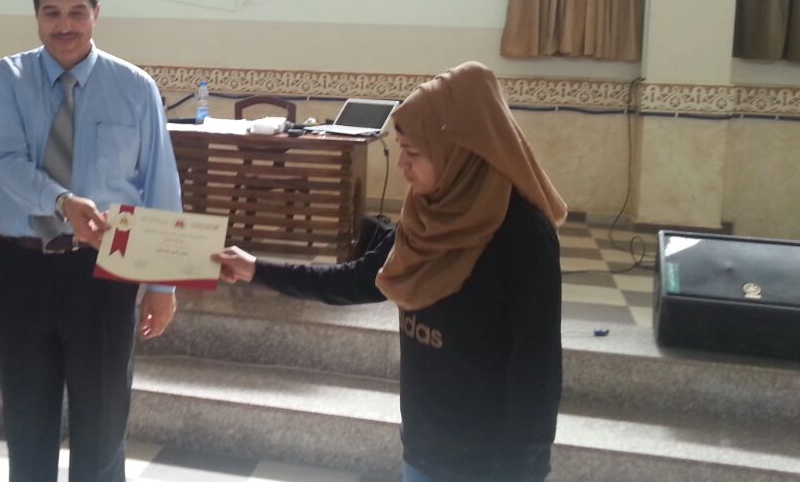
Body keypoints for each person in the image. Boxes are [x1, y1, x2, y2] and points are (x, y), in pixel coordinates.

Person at [214, 61, 565, 482]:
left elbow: (537, 372)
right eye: (401, 149)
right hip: (423, 447)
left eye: (413, 153)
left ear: (461, 152)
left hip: (488, 464)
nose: (401, 165)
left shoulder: (522, 236)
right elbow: (359, 279)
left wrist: (520, 470)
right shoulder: (426, 214)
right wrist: (257, 270)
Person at [0, 0, 183, 482]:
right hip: (23, 267)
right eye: (52, 13)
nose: (64, 25)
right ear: (36, 15)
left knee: (103, 424)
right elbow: (6, 161)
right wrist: (61, 202)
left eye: (76, 12)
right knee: (27, 421)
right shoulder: (5, 78)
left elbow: (160, 186)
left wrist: (163, 285)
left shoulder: (135, 87)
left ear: (96, 14)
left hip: (105, 270)